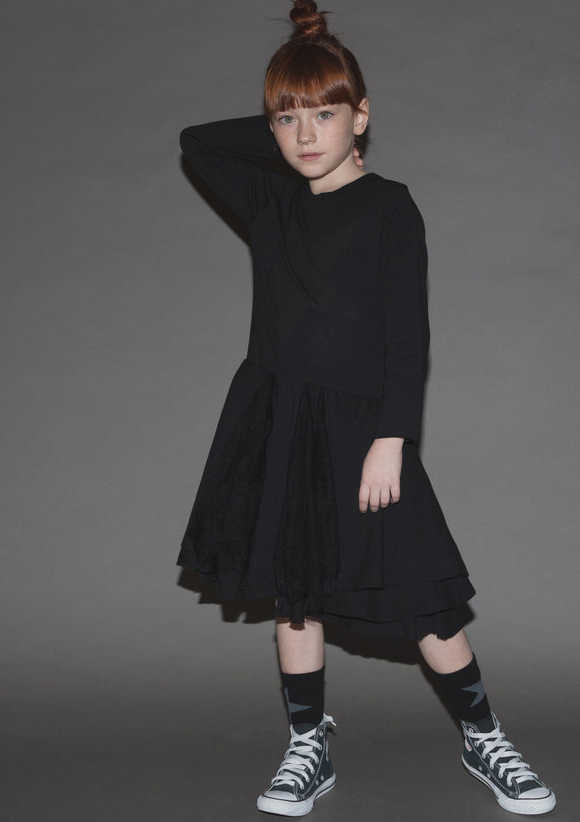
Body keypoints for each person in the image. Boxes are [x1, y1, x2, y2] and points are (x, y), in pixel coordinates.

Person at [177, 1, 555, 816]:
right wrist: (296, 102)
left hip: (363, 426)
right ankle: (307, 745)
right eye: (288, 119)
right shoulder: (270, 201)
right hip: (280, 419)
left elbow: (407, 337)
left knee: (422, 591)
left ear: (363, 116)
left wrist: (392, 437)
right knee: (294, 592)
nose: (305, 134)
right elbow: (197, 142)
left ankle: (484, 736)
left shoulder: (390, 207)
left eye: (326, 114)